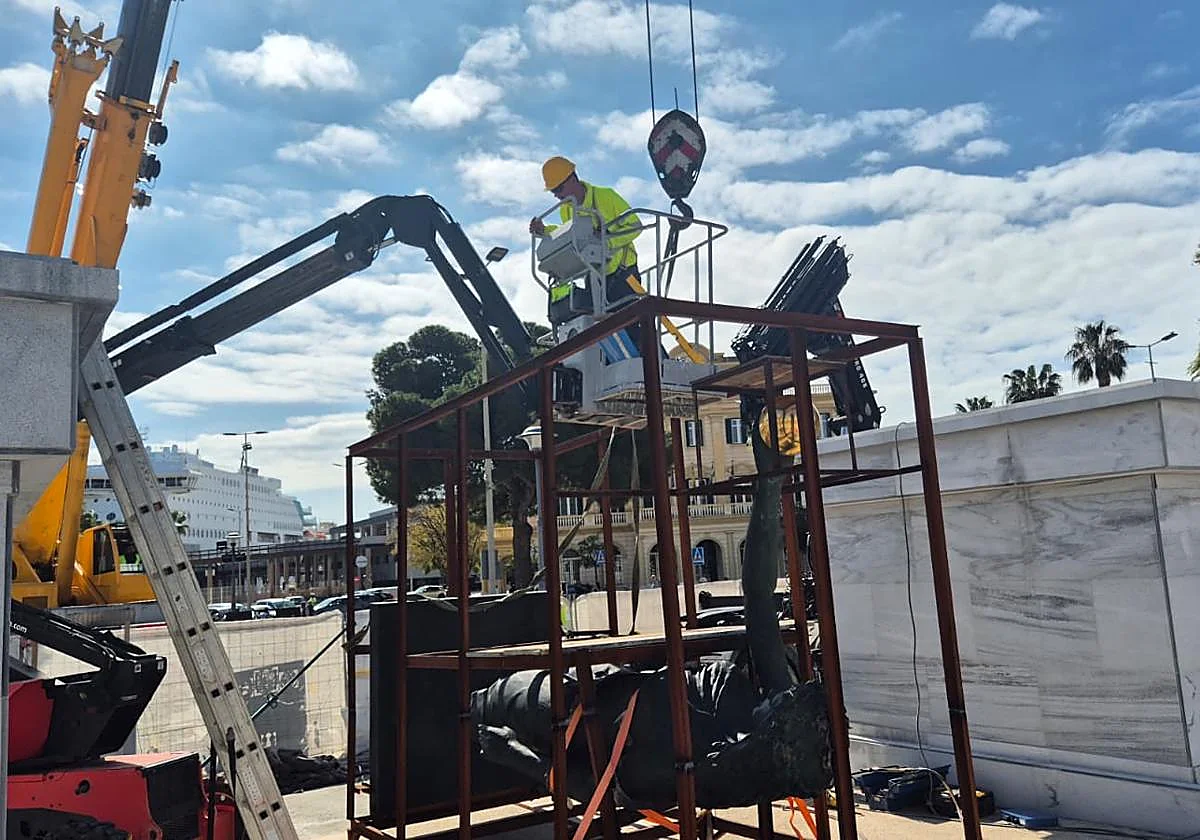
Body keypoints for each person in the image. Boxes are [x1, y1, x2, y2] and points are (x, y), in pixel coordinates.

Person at [529, 156, 644, 320]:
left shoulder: (605, 196)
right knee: (595, 330)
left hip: (624, 274)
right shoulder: (566, 208)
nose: (557, 196)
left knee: (636, 329)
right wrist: (544, 231)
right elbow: (570, 234)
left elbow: (635, 225)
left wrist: (607, 242)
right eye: (553, 191)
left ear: (573, 178)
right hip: (594, 275)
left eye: (559, 189)